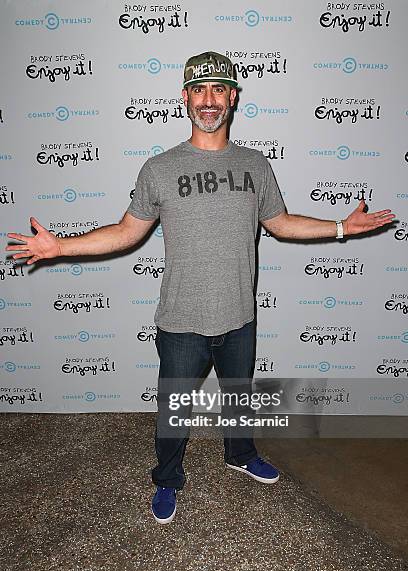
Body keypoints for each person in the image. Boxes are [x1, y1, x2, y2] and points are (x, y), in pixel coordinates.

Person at [7, 51, 395, 525]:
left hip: (239, 317)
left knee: (238, 396)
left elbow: (282, 223)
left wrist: (341, 228)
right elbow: (127, 231)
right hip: (181, 322)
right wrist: (60, 248)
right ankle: (168, 478)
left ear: (232, 98)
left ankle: (239, 454)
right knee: (173, 411)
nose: (208, 100)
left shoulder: (256, 165)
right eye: (199, 90)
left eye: (218, 90)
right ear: (184, 98)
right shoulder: (159, 169)